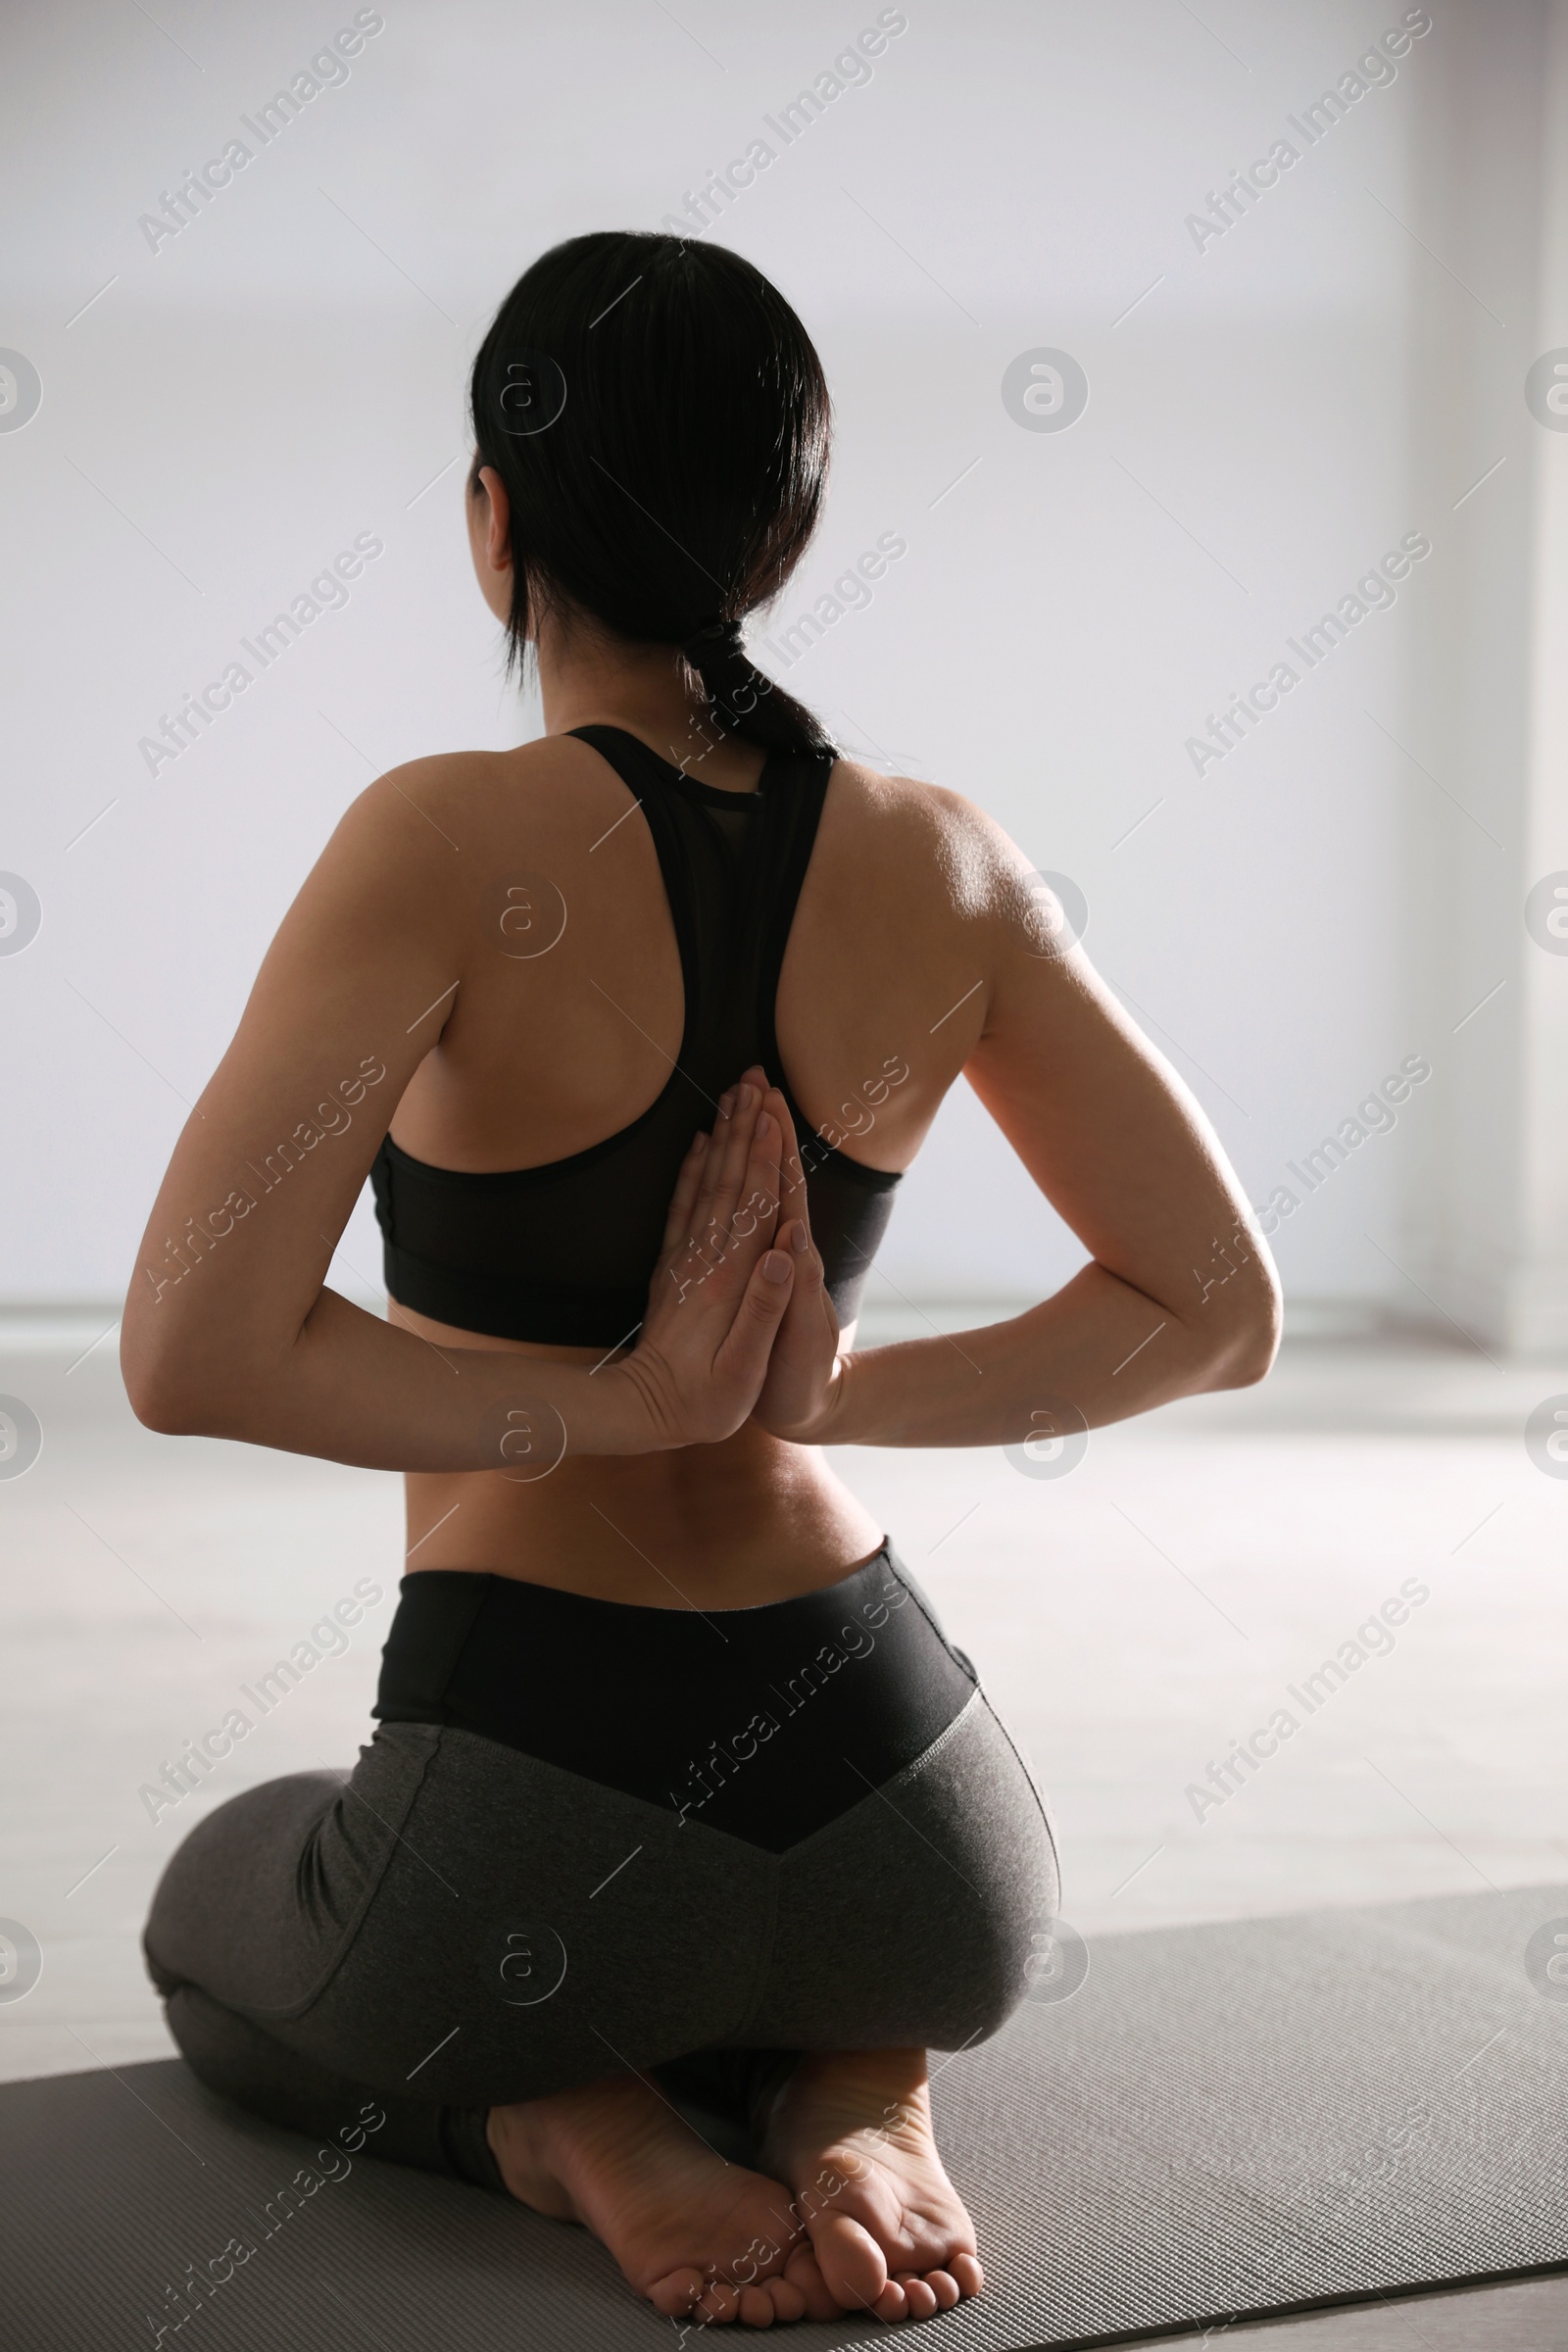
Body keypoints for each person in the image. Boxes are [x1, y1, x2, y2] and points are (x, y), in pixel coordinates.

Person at [123, 229, 1280, 2329]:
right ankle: (857, 2074)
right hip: (925, 1835)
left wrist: (620, 1404)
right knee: (787, 1940)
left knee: (217, 1909)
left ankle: (562, 2122)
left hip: (526, 1813)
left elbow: (187, 1353)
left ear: (494, 519)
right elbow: (1209, 1308)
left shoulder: (440, 837)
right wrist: (816, 1402)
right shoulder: (937, 854)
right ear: (780, 529)